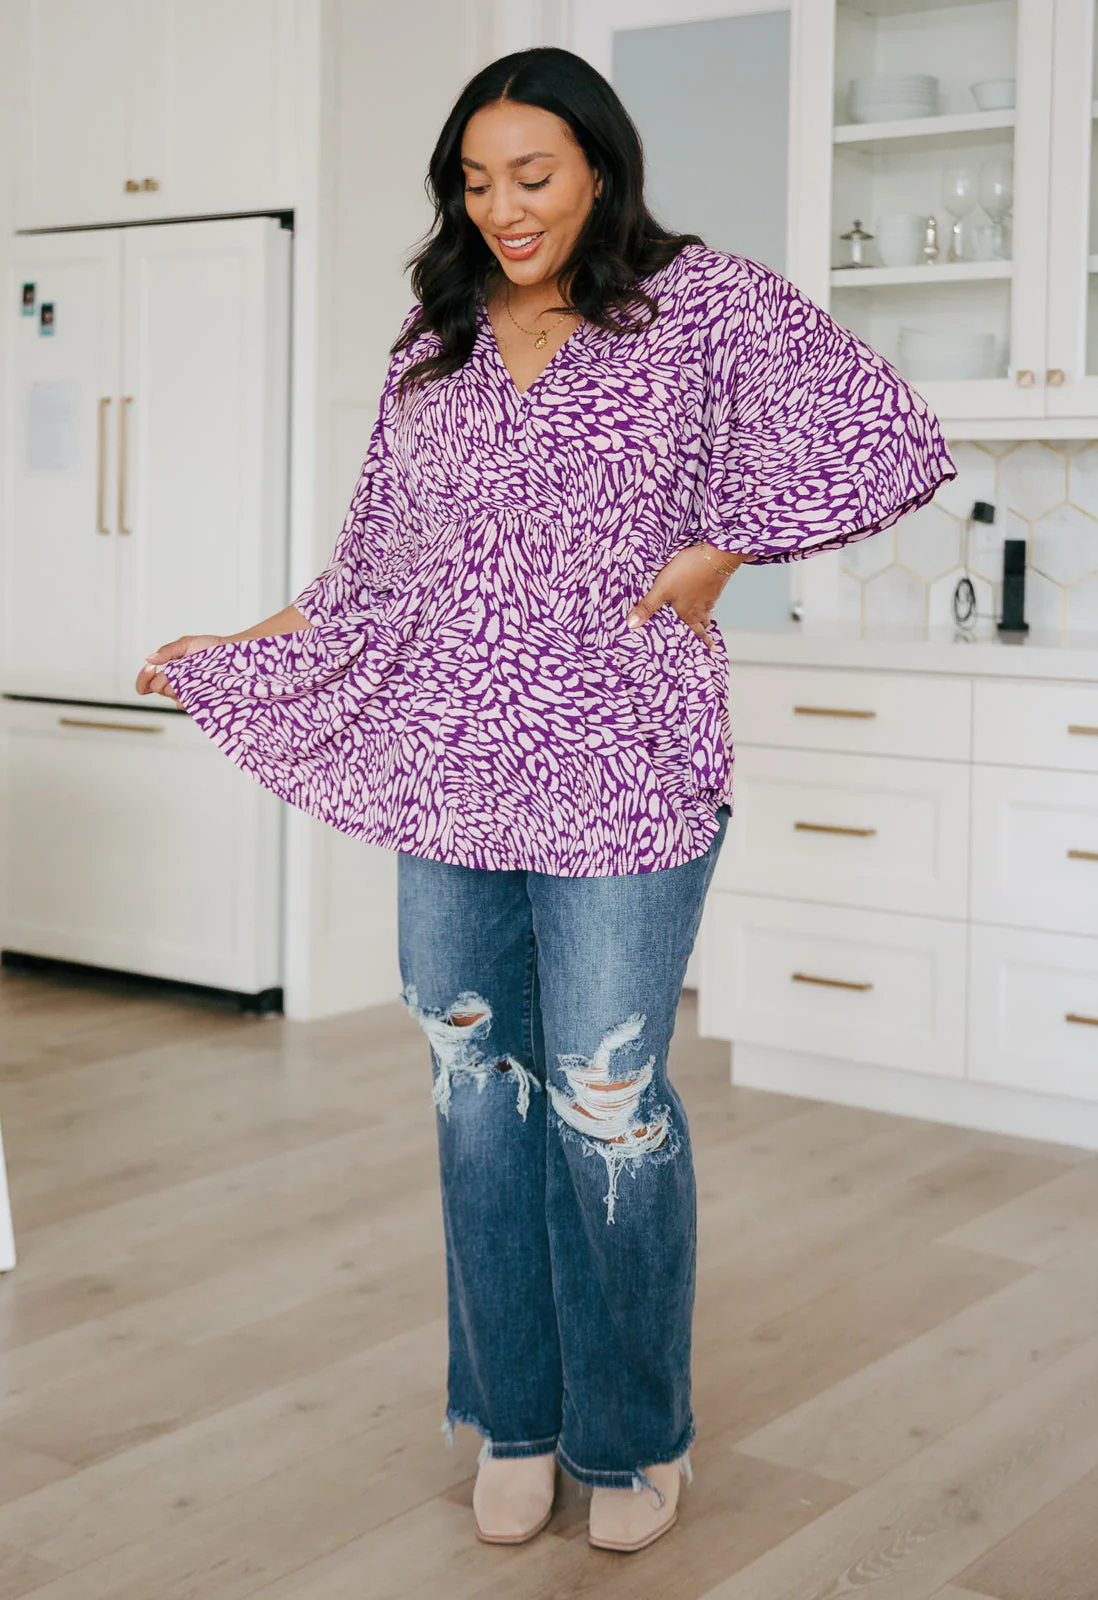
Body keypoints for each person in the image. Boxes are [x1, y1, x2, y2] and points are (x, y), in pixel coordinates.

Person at [137, 47, 955, 1555]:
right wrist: (237, 647)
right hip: (450, 770)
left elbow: (884, 433)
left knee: (603, 1094)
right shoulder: (433, 337)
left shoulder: (701, 304)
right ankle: (513, 1415)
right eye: (476, 182)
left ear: (598, 169)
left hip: (627, 762)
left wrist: (722, 547)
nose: (503, 208)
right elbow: (372, 571)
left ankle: (632, 1433)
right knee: (473, 1087)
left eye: (532, 175)